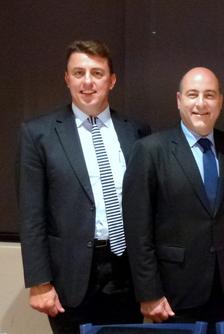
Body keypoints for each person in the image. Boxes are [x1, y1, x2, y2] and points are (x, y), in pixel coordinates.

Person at [18, 40, 148, 333]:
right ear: (67, 78)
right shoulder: (38, 134)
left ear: (111, 80)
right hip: (71, 278)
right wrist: (40, 282)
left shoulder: (136, 131)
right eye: (78, 73)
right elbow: (31, 215)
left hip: (125, 273)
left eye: (97, 73)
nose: (87, 82)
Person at [122, 67, 224, 330]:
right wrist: (148, 292)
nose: (201, 103)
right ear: (179, 100)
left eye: (209, 95)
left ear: (220, 102)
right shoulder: (150, 151)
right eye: (193, 94)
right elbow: (137, 229)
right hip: (172, 293)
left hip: (223, 290)